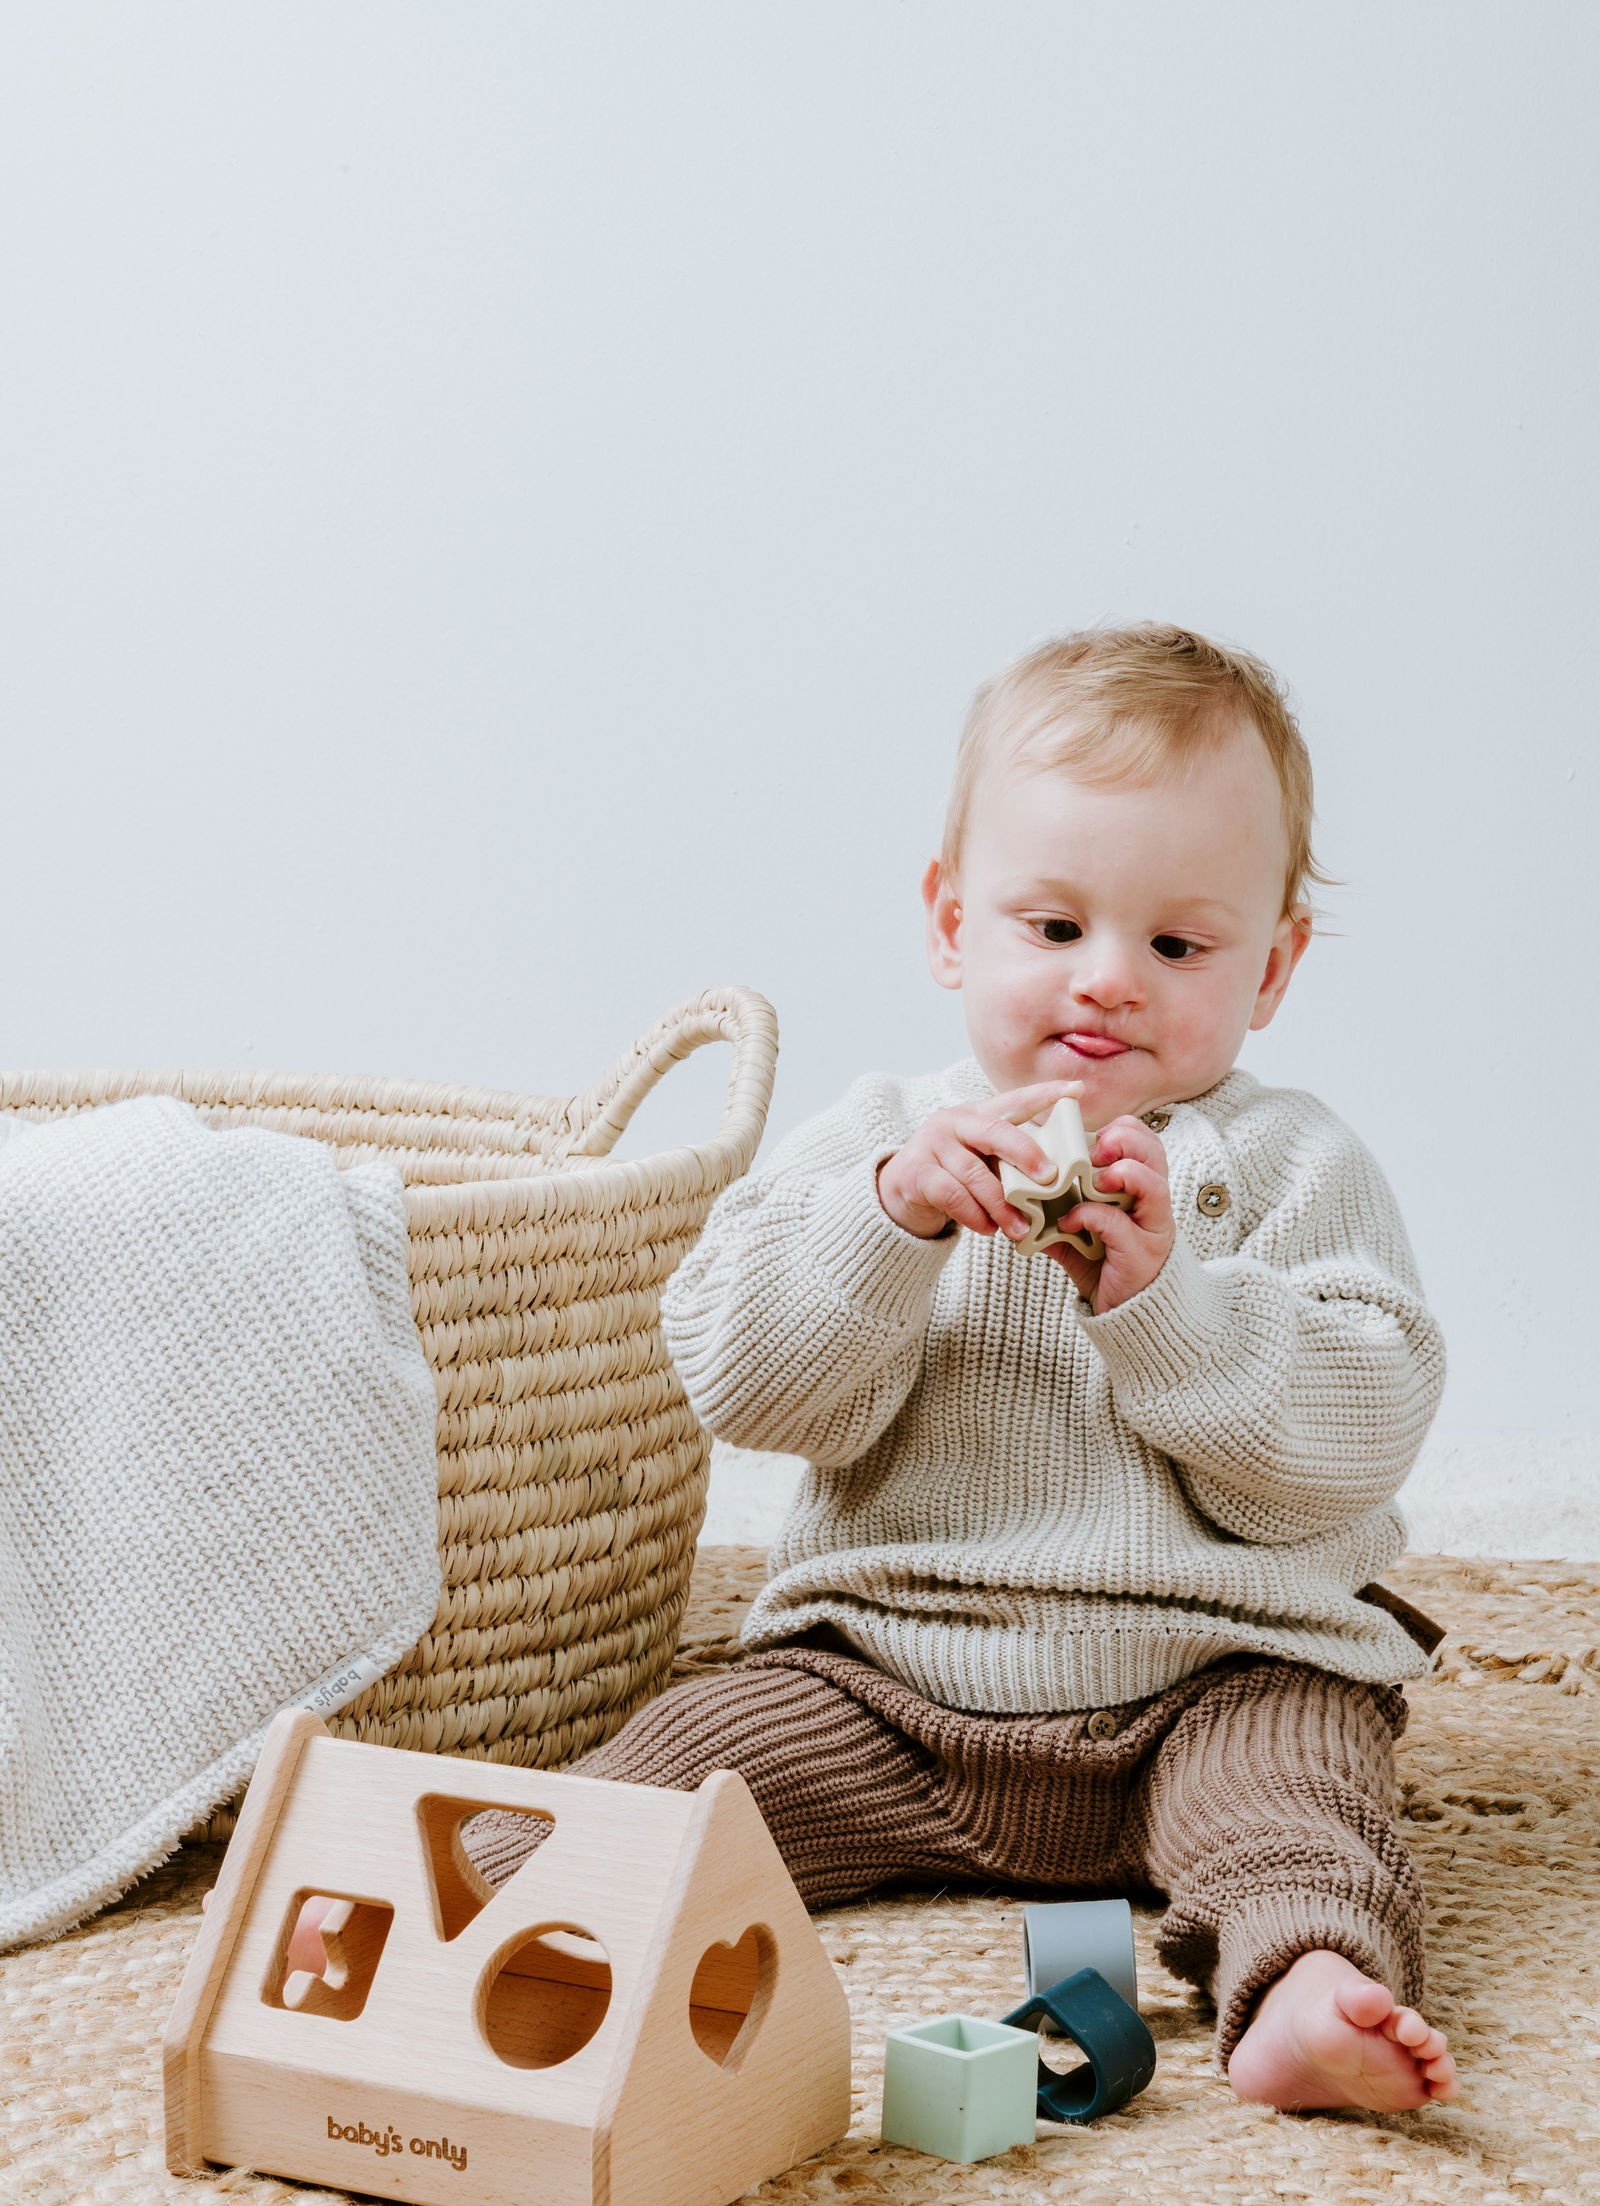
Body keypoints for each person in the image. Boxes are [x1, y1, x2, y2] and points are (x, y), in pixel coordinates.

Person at [272, 621, 1462, 2111]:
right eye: (1052, 926)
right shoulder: (882, 1141)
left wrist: (1170, 1305)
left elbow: (1354, 1440)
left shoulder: (1294, 1164)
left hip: (1209, 1677)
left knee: (1302, 1798)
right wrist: (891, 1223)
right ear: (950, 922)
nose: (1106, 985)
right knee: (687, 1762)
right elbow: (744, 1381)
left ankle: (1305, 1986)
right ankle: (493, 1916)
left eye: (1177, 944)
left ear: (1272, 968)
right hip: (889, 1680)